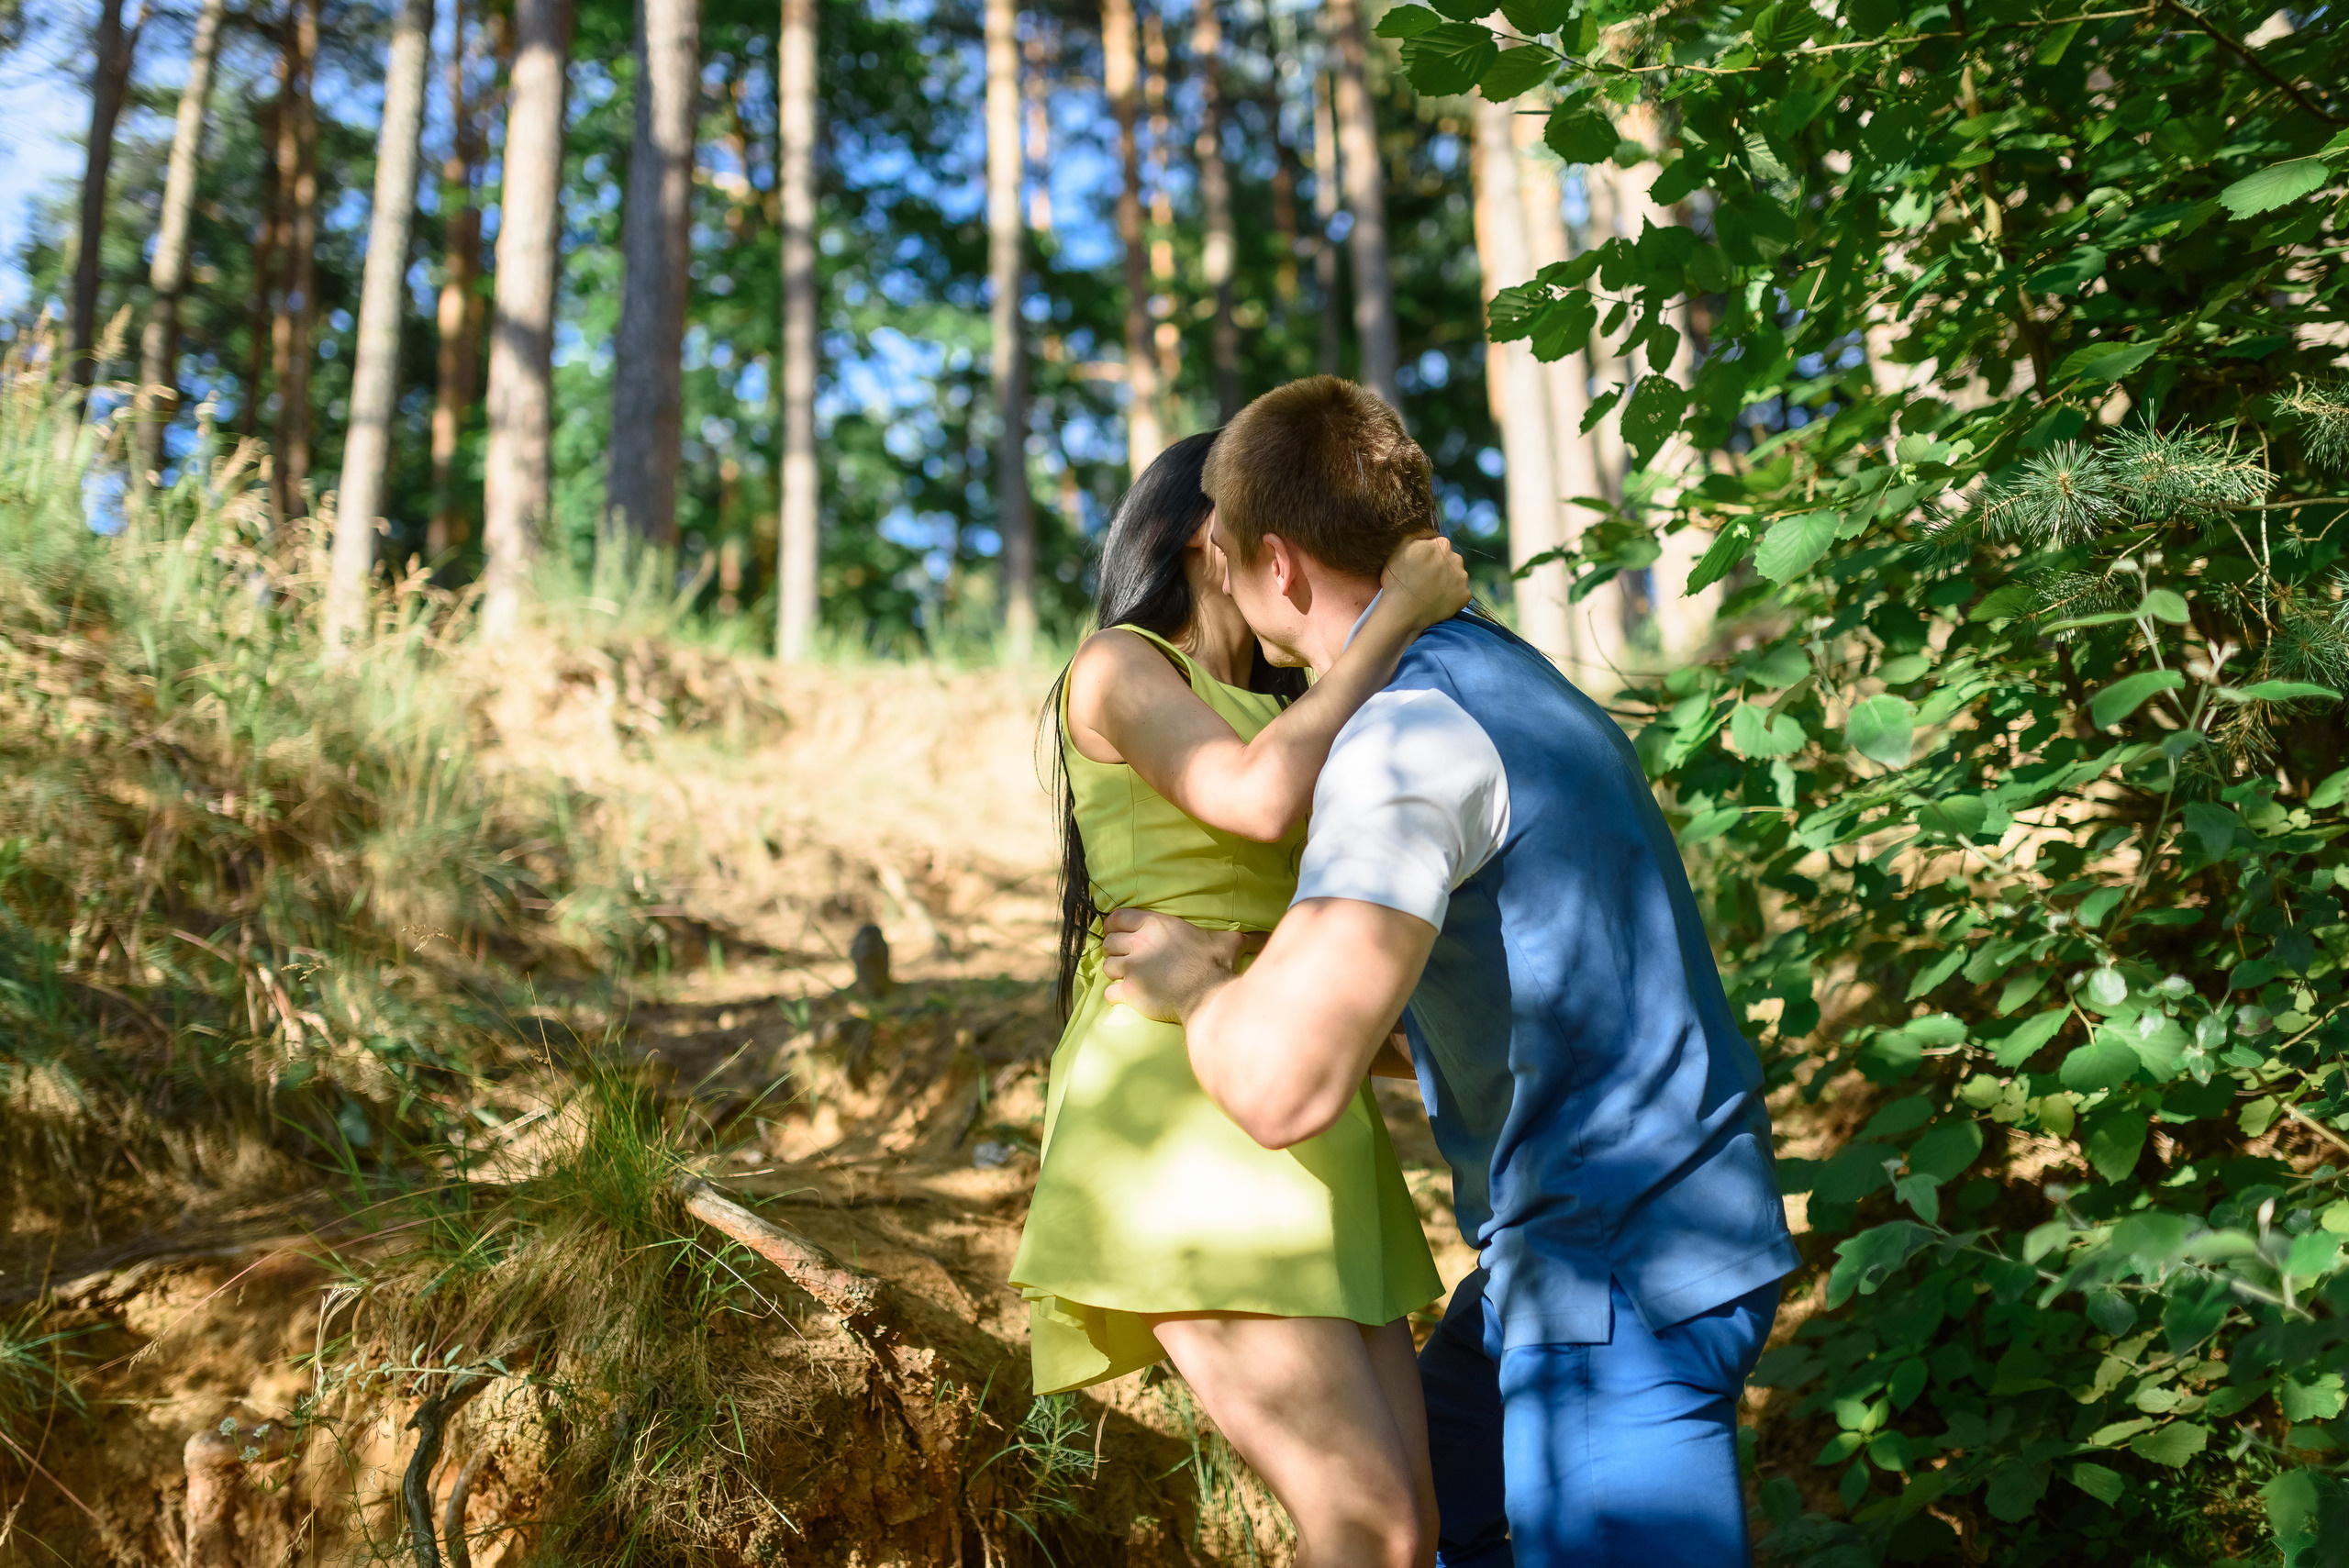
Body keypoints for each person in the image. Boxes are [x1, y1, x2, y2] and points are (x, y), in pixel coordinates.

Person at [1101, 378, 1799, 1568]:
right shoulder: (1507, 677)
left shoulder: (1408, 740)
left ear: (1277, 564)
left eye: (1223, 552)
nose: (1213, 577)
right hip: (1626, 1231)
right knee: (1443, 1496)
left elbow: (1279, 1086)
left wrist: (1192, 988)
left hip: (1616, 1273)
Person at [1007, 429, 1468, 1568]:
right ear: (1201, 536)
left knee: (1406, 1533)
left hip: (1290, 1089)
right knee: (1372, 1526)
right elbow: (1253, 802)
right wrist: (1390, 620)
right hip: (1174, 1103)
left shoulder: (1296, 699)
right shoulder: (1119, 665)